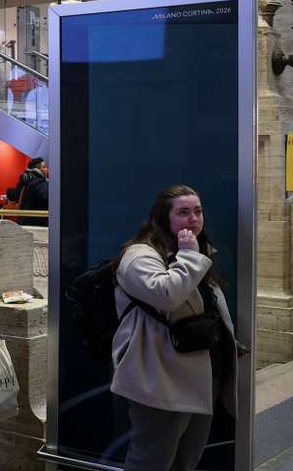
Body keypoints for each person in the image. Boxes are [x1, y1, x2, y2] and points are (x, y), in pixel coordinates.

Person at [111, 185, 237, 471]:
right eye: (183, 212)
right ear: (162, 217)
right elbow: (165, 295)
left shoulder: (194, 251)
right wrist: (190, 257)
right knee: (151, 460)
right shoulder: (139, 256)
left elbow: (209, 305)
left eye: (198, 211)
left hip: (202, 375)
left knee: (185, 461)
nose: (193, 219)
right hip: (159, 378)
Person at [11, 157, 48, 226]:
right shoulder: (40, 183)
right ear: (37, 168)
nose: (46, 169)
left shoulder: (24, 179)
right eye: (44, 167)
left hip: (23, 219)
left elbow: (14, 197)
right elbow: (48, 199)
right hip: (37, 222)